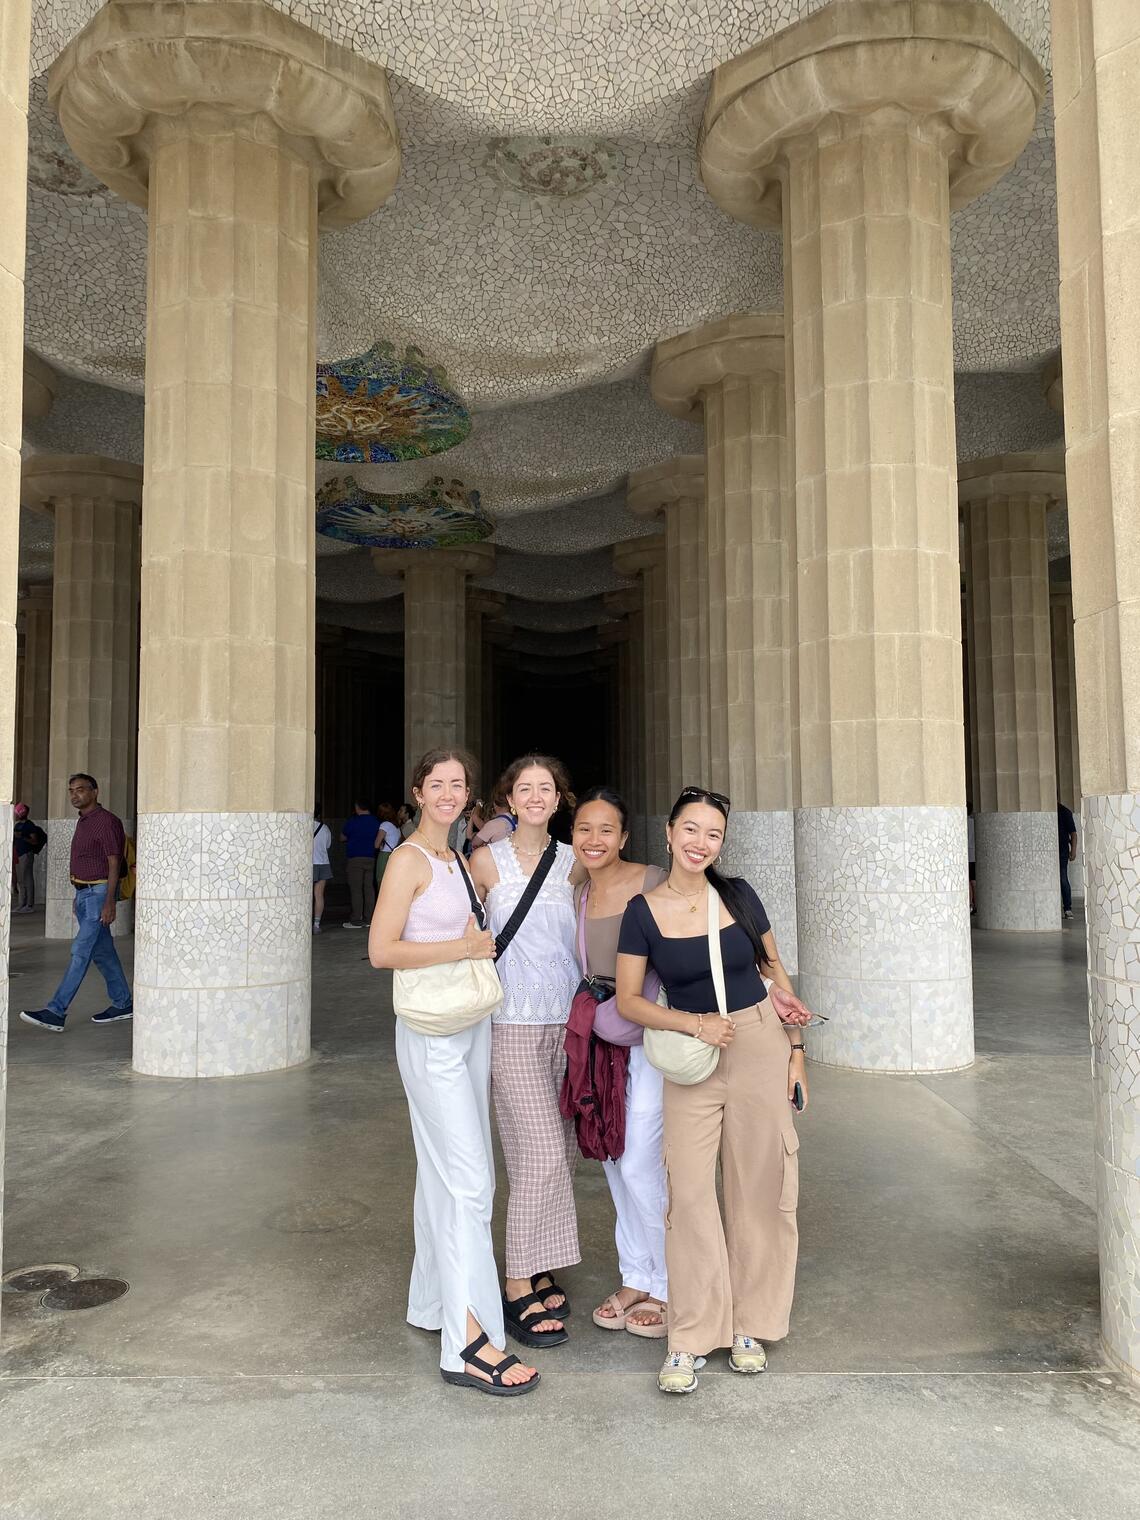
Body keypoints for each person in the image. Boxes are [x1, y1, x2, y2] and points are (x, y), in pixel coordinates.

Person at [616, 786, 806, 1395]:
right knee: (691, 1191)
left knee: (760, 1184)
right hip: (693, 1056)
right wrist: (693, 1023)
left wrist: (797, 1052)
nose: (701, 843)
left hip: (758, 1039)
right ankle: (693, 1333)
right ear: (669, 834)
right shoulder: (643, 913)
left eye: (714, 834)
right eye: (691, 830)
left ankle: (751, 1323)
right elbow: (628, 1002)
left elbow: (774, 972)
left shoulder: (738, 895)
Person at [369, 747, 539, 1396]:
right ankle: (467, 1343)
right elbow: (381, 950)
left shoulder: (458, 861)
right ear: (417, 792)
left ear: (469, 797)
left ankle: (432, 1303)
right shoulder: (409, 861)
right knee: (471, 1183)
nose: (447, 793)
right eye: (436, 783)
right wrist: (465, 946)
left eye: (457, 784)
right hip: (431, 1034)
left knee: (446, 1176)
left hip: (471, 1023)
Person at [470, 754, 582, 1348]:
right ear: (509, 800)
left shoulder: (574, 863)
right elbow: (456, 930)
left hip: (567, 1025)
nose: (536, 796)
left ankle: (540, 1262)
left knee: (559, 1151)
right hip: (510, 1022)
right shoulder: (485, 862)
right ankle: (516, 1284)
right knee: (536, 1154)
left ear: (559, 798)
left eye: (546, 788)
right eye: (524, 788)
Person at [571, 786, 668, 1338]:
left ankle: (670, 1284)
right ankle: (635, 1275)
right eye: (585, 828)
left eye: (606, 829)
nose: (595, 838)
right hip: (602, 1040)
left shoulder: (653, 880)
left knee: (640, 1163)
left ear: (624, 837)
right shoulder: (577, 893)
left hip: (651, 1037)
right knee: (612, 1157)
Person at [20, 773, 132, 1032]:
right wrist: (78, 893)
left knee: (80, 952)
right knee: (103, 953)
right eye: (71, 790)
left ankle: (55, 1011)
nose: (74, 795)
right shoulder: (83, 821)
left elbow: (114, 861)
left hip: (99, 894)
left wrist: (109, 901)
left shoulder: (105, 821)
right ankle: (123, 1003)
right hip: (84, 893)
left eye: (80, 789)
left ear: (95, 791)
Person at [341, 797, 381, 928]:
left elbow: (342, 837)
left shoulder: (353, 821)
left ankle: (356, 919)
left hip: (355, 859)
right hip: (371, 857)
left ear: (358, 807)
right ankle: (369, 919)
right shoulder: (376, 821)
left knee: (356, 889)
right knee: (369, 889)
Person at [12, 803, 46, 913]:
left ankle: (29, 905)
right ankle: (21, 904)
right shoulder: (17, 825)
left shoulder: (29, 825)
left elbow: (34, 840)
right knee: (21, 880)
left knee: (27, 879)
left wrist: (22, 837)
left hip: (26, 854)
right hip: (18, 854)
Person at [468, 788, 516, 853]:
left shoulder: (494, 824)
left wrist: (478, 805)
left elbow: (475, 843)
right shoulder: (514, 819)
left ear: (495, 804)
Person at [312, 805, 333, 934]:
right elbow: (328, 845)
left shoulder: (304, 825)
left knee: (305, 896)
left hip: (309, 864)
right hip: (323, 863)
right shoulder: (325, 829)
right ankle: (316, 925)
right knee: (319, 895)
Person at [374, 803, 401, 892]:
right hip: (394, 856)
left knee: (381, 882)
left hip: (384, 856)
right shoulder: (396, 826)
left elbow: (376, 845)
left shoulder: (384, 825)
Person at [1059, 800, 1078, 920]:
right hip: (1056, 851)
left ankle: (1067, 908)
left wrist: (1073, 850)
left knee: (1063, 878)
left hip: (1062, 851)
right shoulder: (1064, 811)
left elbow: (1073, 833)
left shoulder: (1064, 812)